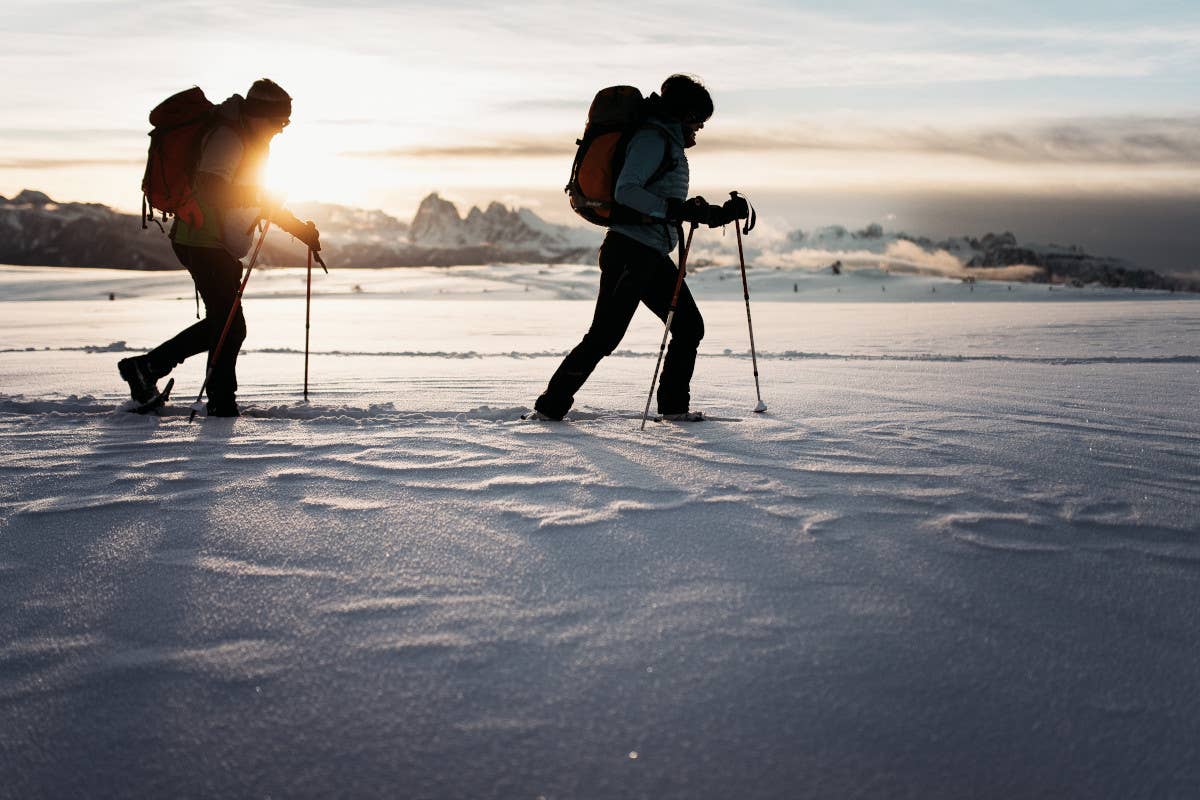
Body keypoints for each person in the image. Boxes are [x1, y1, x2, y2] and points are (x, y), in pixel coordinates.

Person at [530, 74, 748, 421]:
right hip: (630, 252)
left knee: (688, 327)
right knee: (604, 337)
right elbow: (627, 191)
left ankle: (674, 408)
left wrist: (717, 214)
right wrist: (675, 210)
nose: (700, 128)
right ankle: (550, 406)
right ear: (683, 113)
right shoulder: (652, 139)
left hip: (647, 252)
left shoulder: (666, 141)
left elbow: (668, 202)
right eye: (698, 120)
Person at [118, 78, 321, 417]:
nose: (282, 129)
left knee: (224, 323)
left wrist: (300, 230)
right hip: (201, 240)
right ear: (260, 114)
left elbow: (256, 198)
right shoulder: (229, 139)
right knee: (229, 325)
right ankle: (220, 401)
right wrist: (260, 198)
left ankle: (150, 369)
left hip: (216, 242)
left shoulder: (250, 140)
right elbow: (212, 188)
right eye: (279, 121)